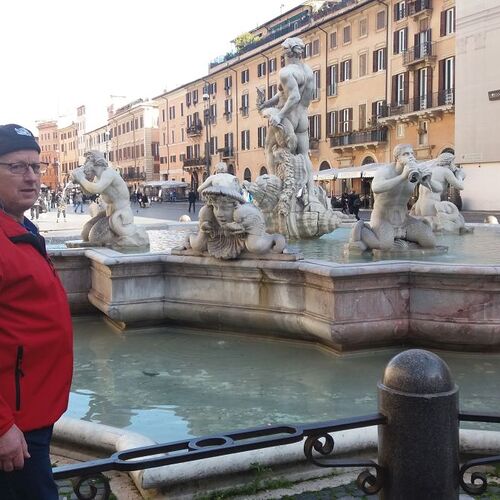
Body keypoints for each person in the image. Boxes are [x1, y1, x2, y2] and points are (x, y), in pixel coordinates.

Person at [0, 124, 73, 499]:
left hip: (31, 413)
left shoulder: (19, 227)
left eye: (35, 166)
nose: (31, 177)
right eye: (16, 167)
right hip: (15, 423)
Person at [350, 144, 437, 251]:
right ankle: (363, 230)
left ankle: (404, 240)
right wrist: (402, 177)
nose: (410, 156)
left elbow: (438, 188)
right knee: (384, 245)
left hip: (404, 220)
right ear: (397, 158)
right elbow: (376, 187)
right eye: (406, 154)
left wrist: (429, 180)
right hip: (383, 218)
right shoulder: (385, 171)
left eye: (412, 153)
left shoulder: (414, 173)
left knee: (430, 241)